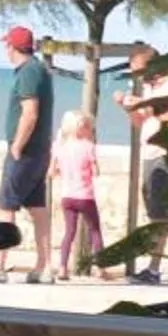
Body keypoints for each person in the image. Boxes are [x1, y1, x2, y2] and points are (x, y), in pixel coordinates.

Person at [117, 40, 168, 283]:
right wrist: (128, 106)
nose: (138, 76)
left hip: (166, 153)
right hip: (149, 153)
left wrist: (147, 106)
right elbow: (140, 122)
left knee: (159, 212)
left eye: (140, 71)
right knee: (157, 212)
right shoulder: (150, 89)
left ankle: (154, 270)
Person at [0, 24, 54, 283]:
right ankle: (45, 266)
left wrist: (17, 145)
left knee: (5, 206)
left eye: (7, 44)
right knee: (38, 208)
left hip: (26, 150)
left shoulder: (29, 72)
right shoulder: (38, 70)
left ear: (12, 47)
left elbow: (30, 111)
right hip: (39, 149)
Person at [51, 110, 112, 282]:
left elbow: (52, 172)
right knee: (95, 231)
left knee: (69, 232)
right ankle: (101, 268)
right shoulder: (88, 146)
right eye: (90, 128)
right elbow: (95, 171)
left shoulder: (60, 147)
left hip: (67, 196)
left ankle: (63, 267)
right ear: (83, 128)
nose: (92, 131)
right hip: (85, 196)